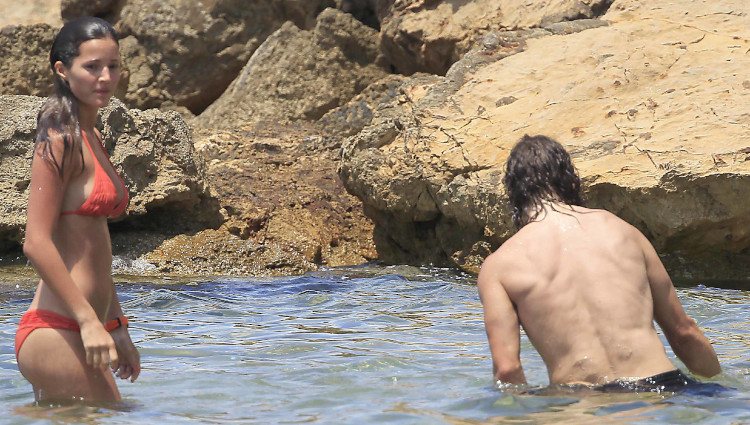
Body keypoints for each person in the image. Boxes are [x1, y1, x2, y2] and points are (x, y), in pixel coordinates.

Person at [478, 134, 721, 392]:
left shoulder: (499, 266)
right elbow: (683, 332)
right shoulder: (623, 232)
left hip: (584, 401)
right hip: (665, 389)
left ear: (514, 195)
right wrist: (719, 388)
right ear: (570, 180)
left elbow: (508, 369)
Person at [16, 17, 140, 403]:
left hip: (88, 328)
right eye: (92, 67)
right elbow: (36, 243)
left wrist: (116, 325)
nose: (105, 77)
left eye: (113, 66)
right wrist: (89, 321)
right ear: (62, 70)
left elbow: (95, 250)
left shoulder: (93, 138)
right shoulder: (58, 143)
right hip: (57, 328)